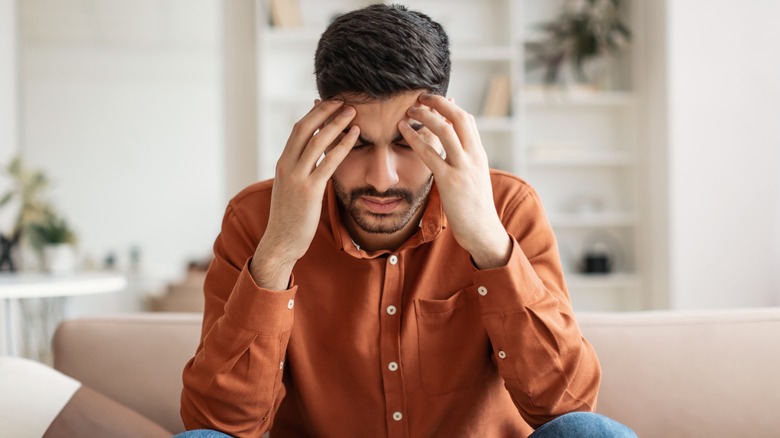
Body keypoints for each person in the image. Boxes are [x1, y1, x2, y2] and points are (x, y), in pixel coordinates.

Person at [178, 4, 635, 437]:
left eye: (406, 141)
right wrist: (277, 254)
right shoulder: (256, 219)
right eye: (355, 145)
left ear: (446, 123)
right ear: (318, 128)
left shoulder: (509, 207)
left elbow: (566, 405)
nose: (382, 179)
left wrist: (489, 245)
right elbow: (218, 425)